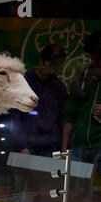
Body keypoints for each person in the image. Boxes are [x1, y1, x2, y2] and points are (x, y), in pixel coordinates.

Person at [10, 44, 68, 157]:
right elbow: (15, 118)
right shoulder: (24, 83)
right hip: (27, 146)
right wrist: (21, 146)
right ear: (41, 62)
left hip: (52, 147)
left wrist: (64, 148)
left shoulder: (60, 88)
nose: (53, 70)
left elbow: (63, 119)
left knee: (51, 175)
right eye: (51, 65)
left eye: (58, 66)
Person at [61, 30, 101, 176]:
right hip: (78, 145)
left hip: (100, 146)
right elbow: (70, 114)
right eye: (93, 57)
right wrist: (64, 148)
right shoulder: (81, 78)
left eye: (99, 58)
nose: (95, 62)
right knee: (74, 191)